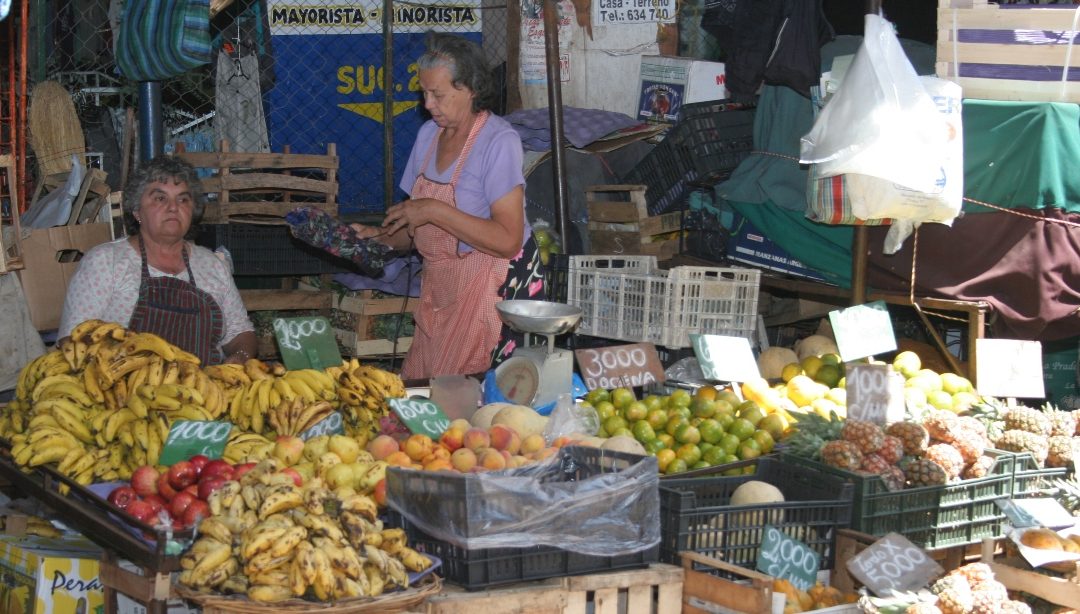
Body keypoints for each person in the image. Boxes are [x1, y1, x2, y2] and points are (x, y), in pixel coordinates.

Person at [352, 32, 544, 379]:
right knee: (418, 386)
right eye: (424, 93)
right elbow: (415, 228)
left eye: (437, 94)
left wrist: (433, 210)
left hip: (489, 285)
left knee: (458, 396)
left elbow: (507, 240)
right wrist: (378, 238)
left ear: (469, 89)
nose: (427, 104)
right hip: (439, 289)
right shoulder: (428, 137)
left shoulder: (498, 142)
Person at [58, 156, 257, 365]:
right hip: (124, 388)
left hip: (200, 389)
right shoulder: (106, 262)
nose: (173, 207)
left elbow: (240, 332)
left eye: (183, 199)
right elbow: (72, 338)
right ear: (136, 211)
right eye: (160, 198)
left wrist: (239, 357)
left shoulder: (212, 266)